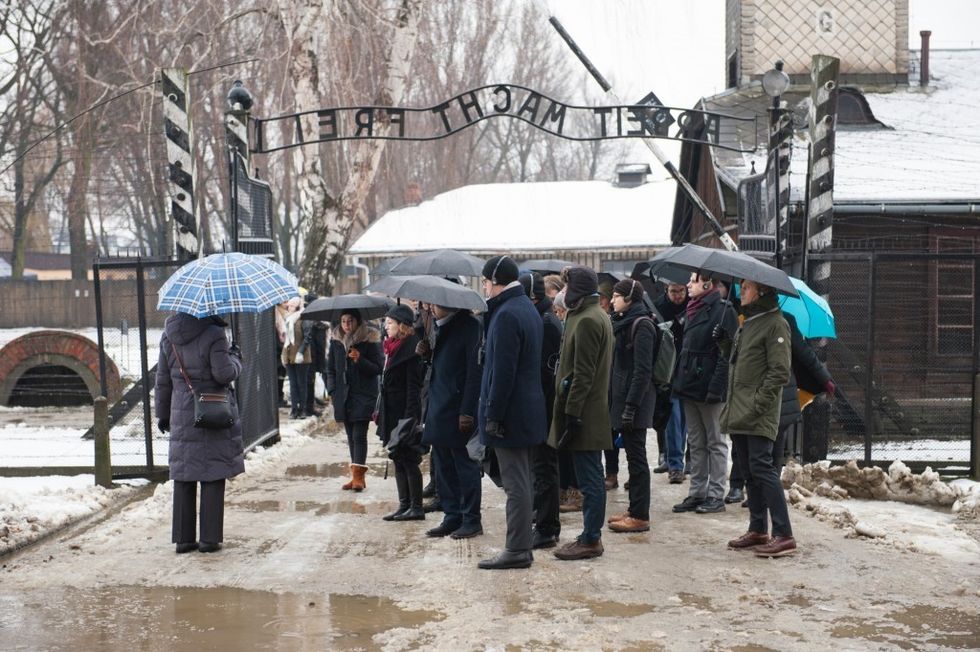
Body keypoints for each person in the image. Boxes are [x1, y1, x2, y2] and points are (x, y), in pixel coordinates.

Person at [477, 255, 547, 570]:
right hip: (525, 409)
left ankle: (517, 548)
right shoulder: (525, 307)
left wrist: (493, 414)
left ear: (495, 280)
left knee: (516, 483)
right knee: (521, 480)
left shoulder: (506, 314)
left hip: (512, 414)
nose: (484, 288)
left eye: (485, 282)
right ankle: (521, 546)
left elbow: (503, 372)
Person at [717, 280, 795, 557]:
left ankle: (784, 534)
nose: (742, 292)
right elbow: (742, 363)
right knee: (749, 470)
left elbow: (779, 371)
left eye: (747, 288)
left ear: (761, 291)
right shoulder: (748, 322)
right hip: (740, 408)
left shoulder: (775, 323)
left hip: (758, 411)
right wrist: (725, 343)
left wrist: (759, 403)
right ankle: (758, 528)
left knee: (763, 469)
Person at [155, 312, 243, 554]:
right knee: (213, 471)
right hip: (210, 410)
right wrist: (236, 359)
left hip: (181, 412)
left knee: (184, 474)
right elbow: (223, 374)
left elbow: (163, 379)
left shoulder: (168, 335)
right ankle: (209, 539)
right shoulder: (214, 333)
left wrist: (163, 415)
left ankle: (183, 539)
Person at [549, 265, 614, 561]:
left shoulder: (588, 319)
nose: (563, 292)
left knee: (590, 479)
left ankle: (591, 538)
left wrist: (572, 413)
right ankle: (589, 535)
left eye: (567, 286)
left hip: (585, 412)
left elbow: (583, 374)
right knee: (590, 475)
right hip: (584, 408)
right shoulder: (589, 314)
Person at [672, 272, 738, 515]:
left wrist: (716, 388)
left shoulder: (724, 311)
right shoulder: (692, 309)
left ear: (708, 283)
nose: (688, 284)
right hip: (690, 385)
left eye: (693, 280)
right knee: (696, 442)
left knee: (716, 442)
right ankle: (697, 492)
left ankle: (716, 494)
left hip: (709, 387)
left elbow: (726, 355)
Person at [420, 303, 483, 539]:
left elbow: (474, 373)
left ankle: (471, 519)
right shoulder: (439, 326)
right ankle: (452, 515)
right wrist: (427, 355)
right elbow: (440, 366)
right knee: (443, 466)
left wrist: (467, 411)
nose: (431, 308)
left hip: (458, 409)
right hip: (439, 406)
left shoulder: (470, 327)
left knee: (465, 467)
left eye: (435, 304)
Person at [606, 279, 657, 533]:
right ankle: (634, 508)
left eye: (616, 296)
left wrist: (630, 406)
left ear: (629, 298)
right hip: (624, 399)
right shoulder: (624, 322)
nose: (612, 300)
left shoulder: (642, 325)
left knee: (637, 459)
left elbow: (642, 371)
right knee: (632, 457)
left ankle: (640, 515)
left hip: (635, 402)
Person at [520, 271, 565, 550]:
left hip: (545, 407)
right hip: (541, 404)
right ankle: (542, 517)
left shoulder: (546, 322)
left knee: (545, 467)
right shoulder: (541, 317)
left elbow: (545, 372)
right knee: (539, 467)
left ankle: (548, 528)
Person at [378, 304, 425, 522]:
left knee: (409, 459)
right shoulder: (391, 347)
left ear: (402, 325)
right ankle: (404, 504)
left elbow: (414, 388)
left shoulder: (411, 349)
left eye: (390, 323)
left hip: (404, 414)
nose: (386, 327)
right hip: (391, 411)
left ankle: (416, 507)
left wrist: (409, 419)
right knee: (397, 457)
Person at [326, 309, 382, 492]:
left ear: (358, 321)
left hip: (363, 394)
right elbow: (330, 369)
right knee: (350, 435)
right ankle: (356, 476)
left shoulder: (369, 340)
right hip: (343, 395)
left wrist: (360, 359)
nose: (346, 325)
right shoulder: (336, 342)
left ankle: (358, 477)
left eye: (350, 321)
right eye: (343, 321)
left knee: (359, 434)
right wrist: (333, 390)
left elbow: (378, 368)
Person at [654, 282, 689, 482]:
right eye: (674, 291)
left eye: (681, 291)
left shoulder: (692, 305)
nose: (678, 295)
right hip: (667, 367)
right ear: (666, 290)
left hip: (685, 367)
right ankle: (673, 461)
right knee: (671, 417)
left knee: (680, 418)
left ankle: (676, 461)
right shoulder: (658, 306)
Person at [281, 296, 313, 418]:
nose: (289, 308)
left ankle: (303, 409)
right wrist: (283, 354)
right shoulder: (288, 319)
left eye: (291, 306)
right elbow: (286, 339)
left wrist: (300, 352)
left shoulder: (304, 318)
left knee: (301, 383)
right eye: (288, 306)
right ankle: (294, 409)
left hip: (301, 356)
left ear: (298, 307)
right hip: (289, 355)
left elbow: (307, 337)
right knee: (293, 384)